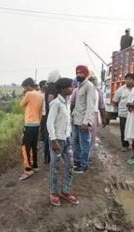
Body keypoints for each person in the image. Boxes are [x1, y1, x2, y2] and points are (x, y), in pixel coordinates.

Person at [47, 78, 79, 206]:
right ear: (63, 89)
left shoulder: (67, 102)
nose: (72, 88)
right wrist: (54, 140)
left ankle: (66, 191)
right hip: (57, 140)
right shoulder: (56, 103)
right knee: (55, 167)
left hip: (67, 139)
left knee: (70, 164)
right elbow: (49, 123)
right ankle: (54, 193)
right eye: (70, 86)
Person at [71, 65, 96, 173]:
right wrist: (72, 115)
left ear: (85, 74)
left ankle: (84, 165)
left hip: (83, 122)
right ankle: (77, 162)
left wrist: (86, 122)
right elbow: (78, 104)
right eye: (77, 73)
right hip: (76, 120)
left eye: (80, 73)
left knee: (84, 143)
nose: (78, 75)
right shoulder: (79, 86)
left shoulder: (89, 86)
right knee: (75, 142)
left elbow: (90, 106)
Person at [19, 77, 43, 180]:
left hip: (29, 124)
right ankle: (35, 165)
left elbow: (21, 104)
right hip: (37, 123)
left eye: (25, 87)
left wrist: (25, 94)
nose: (25, 89)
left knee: (25, 146)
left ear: (28, 85)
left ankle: (28, 169)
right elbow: (41, 111)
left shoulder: (29, 94)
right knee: (33, 145)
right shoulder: (40, 95)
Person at [40, 71, 60, 164]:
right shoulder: (53, 88)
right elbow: (50, 100)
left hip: (48, 115)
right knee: (51, 137)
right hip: (51, 116)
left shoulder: (49, 87)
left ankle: (47, 158)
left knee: (49, 136)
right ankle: (49, 158)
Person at [113, 73, 134, 151]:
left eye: (130, 79)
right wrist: (121, 107)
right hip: (123, 113)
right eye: (126, 79)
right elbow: (115, 100)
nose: (127, 81)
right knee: (124, 130)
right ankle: (125, 146)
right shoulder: (121, 89)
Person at [87, 72, 105, 159]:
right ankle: (84, 156)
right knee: (84, 137)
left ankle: (89, 156)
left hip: (94, 114)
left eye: (93, 80)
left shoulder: (98, 91)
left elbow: (101, 105)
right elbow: (73, 103)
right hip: (83, 115)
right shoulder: (79, 89)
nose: (92, 81)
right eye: (90, 79)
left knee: (92, 136)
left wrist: (103, 117)